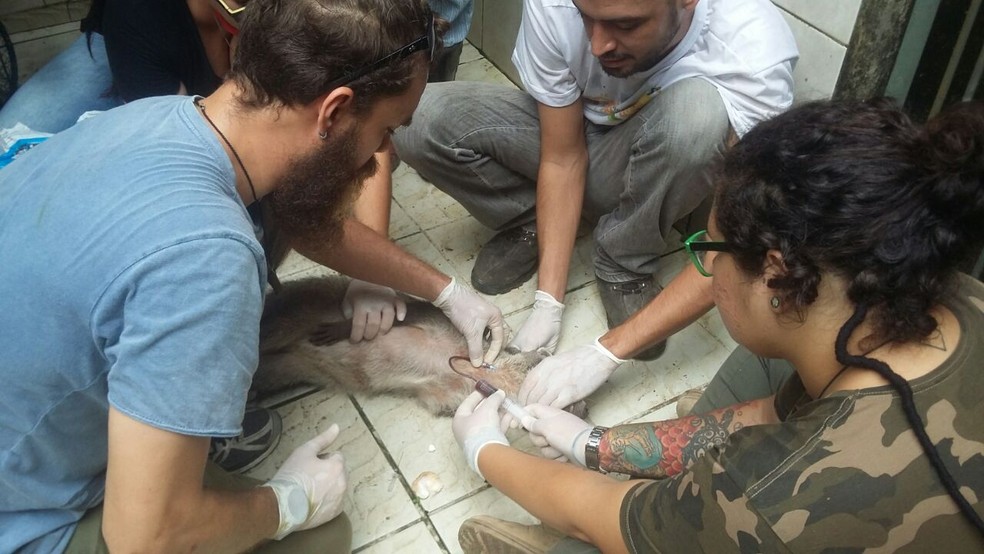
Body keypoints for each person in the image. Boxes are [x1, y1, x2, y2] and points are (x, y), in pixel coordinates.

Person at [0, 0, 503, 551]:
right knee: (323, 537)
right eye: (385, 130)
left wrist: (447, 291)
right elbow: (144, 539)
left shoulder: (162, 118)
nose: (381, 153)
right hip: (22, 510)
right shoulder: (207, 260)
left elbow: (300, 216)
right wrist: (288, 502)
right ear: (333, 113)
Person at [451, 97, 984, 552]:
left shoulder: (772, 495)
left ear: (775, 275)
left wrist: (485, 450)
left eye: (707, 252)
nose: (702, 270)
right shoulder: (943, 294)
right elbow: (768, 415)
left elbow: (613, 516)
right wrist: (592, 443)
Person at [387, 0, 798, 364]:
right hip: (574, 137)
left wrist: (605, 353)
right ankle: (531, 219)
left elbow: (728, 247)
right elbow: (563, 156)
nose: (599, 45)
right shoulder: (556, 5)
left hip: (654, 159)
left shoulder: (755, 50)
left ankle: (624, 259)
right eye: (588, 18)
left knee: (699, 115)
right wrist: (549, 303)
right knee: (417, 121)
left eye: (626, 24)